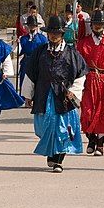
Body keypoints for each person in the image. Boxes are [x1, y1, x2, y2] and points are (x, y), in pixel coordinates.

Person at [21, 15, 88, 173]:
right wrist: (28, 95)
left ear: (62, 34)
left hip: (63, 97)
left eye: (57, 33)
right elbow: (30, 74)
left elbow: (81, 74)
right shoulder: (40, 52)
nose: (54, 35)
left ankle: (58, 160)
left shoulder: (72, 53)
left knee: (62, 128)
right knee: (44, 127)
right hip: (44, 94)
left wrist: (73, 91)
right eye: (51, 32)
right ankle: (52, 154)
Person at [77, 9, 104, 155]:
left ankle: (100, 144)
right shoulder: (83, 43)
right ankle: (91, 138)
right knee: (87, 111)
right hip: (88, 80)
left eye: (100, 23)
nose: (97, 26)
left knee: (103, 112)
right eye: (95, 23)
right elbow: (78, 64)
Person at [17, 15, 48, 87]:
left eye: (34, 25)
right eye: (30, 25)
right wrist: (17, 44)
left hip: (38, 62)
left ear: (37, 26)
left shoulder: (42, 38)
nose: (32, 27)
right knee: (24, 83)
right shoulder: (23, 38)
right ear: (28, 26)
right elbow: (20, 51)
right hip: (26, 62)